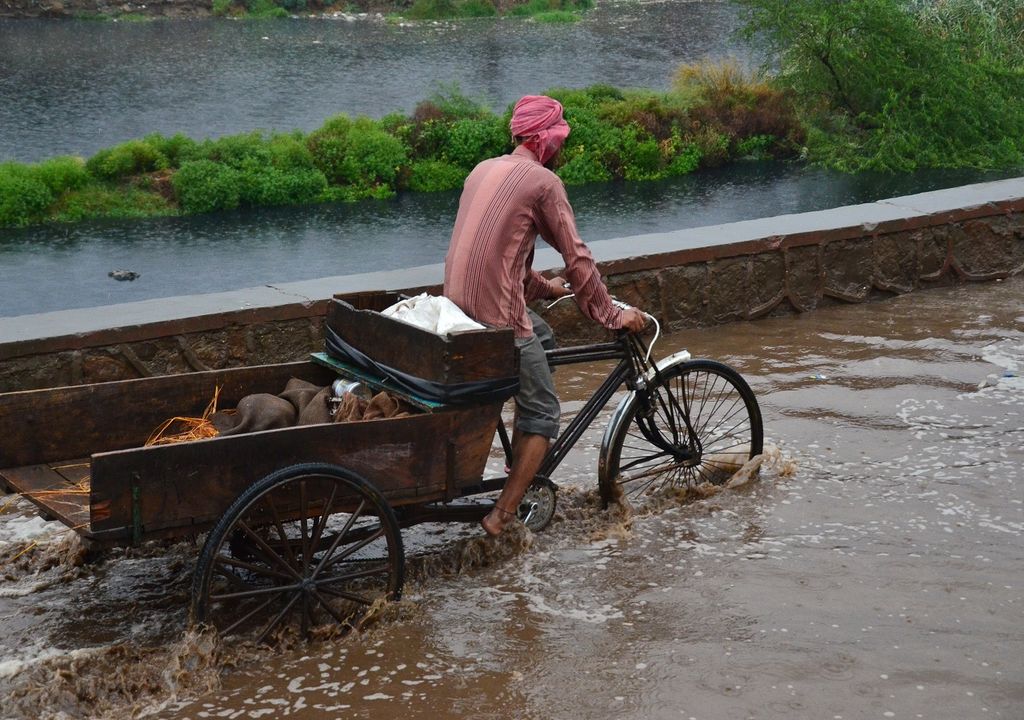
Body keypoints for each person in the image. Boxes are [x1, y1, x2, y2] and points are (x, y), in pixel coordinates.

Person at [444, 94, 647, 537]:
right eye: (560, 141)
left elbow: (501, 256)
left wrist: (543, 288)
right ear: (547, 142)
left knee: (544, 336)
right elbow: (578, 259)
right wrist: (612, 314)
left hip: (456, 310)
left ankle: (521, 464)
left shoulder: (483, 170)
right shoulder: (543, 183)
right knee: (544, 414)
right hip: (497, 323)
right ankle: (502, 516)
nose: (561, 150)